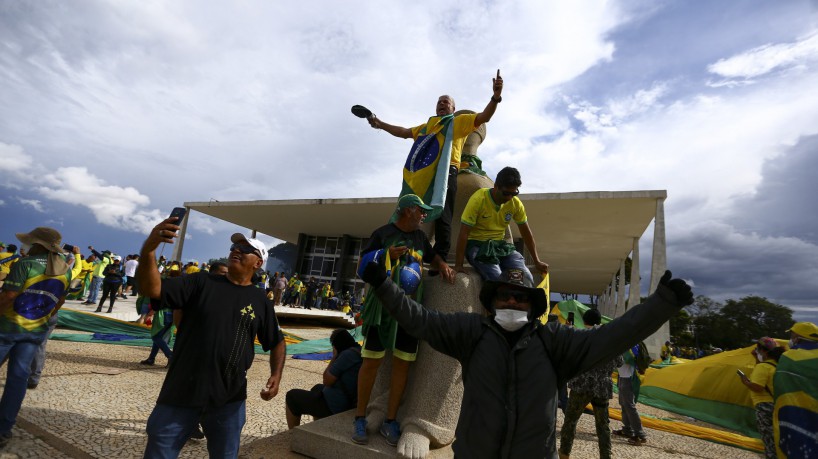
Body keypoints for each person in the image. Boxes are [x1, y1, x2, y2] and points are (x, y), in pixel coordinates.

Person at [358, 258, 693, 458]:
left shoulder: (554, 343)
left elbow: (612, 337)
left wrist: (661, 305)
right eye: (505, 296)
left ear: (533, 307)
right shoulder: (470, 333)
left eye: (521, 298)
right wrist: (384, 286)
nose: (513, 303)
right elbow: (420, 319)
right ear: (491, 302)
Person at [137, 217, 286, 458]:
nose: (236, 250)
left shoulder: (261, 301)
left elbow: (277, 341)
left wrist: (276, 375)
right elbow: (152, 290)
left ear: (257, 263)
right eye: (234, 247)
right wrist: (149, 250)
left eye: (245, 249)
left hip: (229, 400)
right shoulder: (200, 282)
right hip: (181, 392)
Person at [366, 70, 504, 260]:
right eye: (439, 101)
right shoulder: (426, 128)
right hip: (424, 176)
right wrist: (380, 124)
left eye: (446, 102)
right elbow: (404, 132)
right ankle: (404, 248)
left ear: (453, 109)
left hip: (446, 173)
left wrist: (496, 97)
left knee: (443, 216)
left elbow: (484, 117)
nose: (441, 104)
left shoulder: (457, 123)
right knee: (414, 213)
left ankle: (439, 257)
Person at [352, 194, 455, 447]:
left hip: (410, 310)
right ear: (407, 210)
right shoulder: (382, 233)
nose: (424, 216)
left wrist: (442, 265)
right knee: (371, 363)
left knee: (402, 364)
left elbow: (432, 256)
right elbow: (362, 267)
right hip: (382, 308)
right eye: (421, 211)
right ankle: (360, 417)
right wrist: (385, 253)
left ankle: (390, 421)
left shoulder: (420, 237)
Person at [0, 227, 74, 449]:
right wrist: (44, 317)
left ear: (39, 245)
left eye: (31, 242)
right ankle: (4, 429)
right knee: (18, 379)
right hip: (35, 331)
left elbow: (9, 295)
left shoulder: (25, 264)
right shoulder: (65, 269)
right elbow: (60, 301)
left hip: (8, 327)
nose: (28, 246)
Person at [454, 166, 549, 285]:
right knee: (498, 279)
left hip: (500, 246)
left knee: (525, 278)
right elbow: (464, 232)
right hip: (477, 246)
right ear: (496, 186)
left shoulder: (515, 203)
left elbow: (526, 232)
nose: (509, 197)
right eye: (506, 193)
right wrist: (458, 265)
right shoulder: (479, 199)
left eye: (514, 193)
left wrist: (537, 261)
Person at [558, 309, 624, 459]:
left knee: (570, 421)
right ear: (600, 321)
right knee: (603, 426)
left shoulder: (580, 336)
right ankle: (605, 456)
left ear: (584, 320)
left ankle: (564, 454)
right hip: (602, 388)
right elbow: (619, 362)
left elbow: (568, 356)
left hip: (581, 385)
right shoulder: (610, 340)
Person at [286, 329, 363, 429]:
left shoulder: (346, 355)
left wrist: (334, 357)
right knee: (317, 388)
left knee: (292, 396)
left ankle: (291, 435)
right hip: (347, 400)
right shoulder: (358, 351)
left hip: (335, 406)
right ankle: (320, 428)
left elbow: (327, 380)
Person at [772, 321, 818, 458]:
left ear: (797, 338)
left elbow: (780, 385)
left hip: (796, 415)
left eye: (791, 335)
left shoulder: (788, 357)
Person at [738, 337, 784, 459]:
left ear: (762, 351)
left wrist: (745, 382)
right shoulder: (776, 365)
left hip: (764, 406)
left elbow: (758, 387)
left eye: (757, 350)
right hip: (776, 404)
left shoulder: (763, 367)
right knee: (776, 438)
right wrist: (756, 358)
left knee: (769, 439)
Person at [613, 345, 648, 445]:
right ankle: (627, 430)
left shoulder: (630, 344)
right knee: (623, 404)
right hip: (622, 376)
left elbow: (628, 359)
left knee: (629, 406)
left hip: (628, 378)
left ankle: (640, 435)